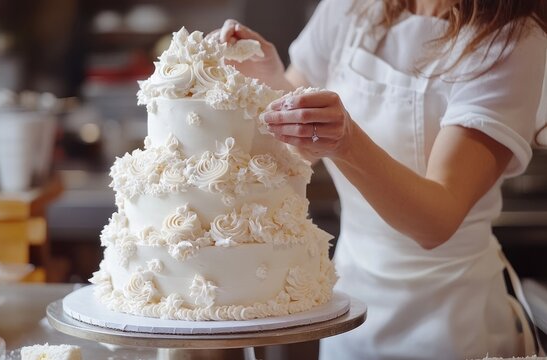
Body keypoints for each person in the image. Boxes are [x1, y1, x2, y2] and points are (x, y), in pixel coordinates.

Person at [214, 0, 546, 359]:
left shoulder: (513, 39)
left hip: (448, 319)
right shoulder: (351, 7)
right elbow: (297, 139)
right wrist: (269, 77)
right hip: (349, 306)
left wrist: (349, 143)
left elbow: (436, 222)